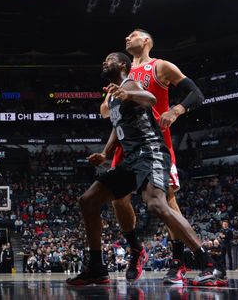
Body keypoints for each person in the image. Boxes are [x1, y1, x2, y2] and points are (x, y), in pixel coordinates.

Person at [67, 52, 224, 287]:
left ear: (122, 65)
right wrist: (106, 154)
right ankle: (97, 268)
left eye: (109, 59)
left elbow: (150, 98)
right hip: (131, 159)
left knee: (157, 204)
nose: (104, 61)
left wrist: (128, 93)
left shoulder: (129, 83)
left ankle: (209, 264)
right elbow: (117, 126)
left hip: (150, 151)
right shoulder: (113, 95)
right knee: (88, 201)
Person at [90, 29, 205, 284]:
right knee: (118, 201)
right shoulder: (121, 74)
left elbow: (196, 93)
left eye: (133, 35)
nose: (127, 38)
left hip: (155, 142)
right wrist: (113, 98)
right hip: (127, 143)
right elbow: (105, 112)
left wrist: (176, 110)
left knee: (166, 200)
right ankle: (135, 250)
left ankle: (179, 261)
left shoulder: (160, 66)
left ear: (147, 41)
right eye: (126, 37)